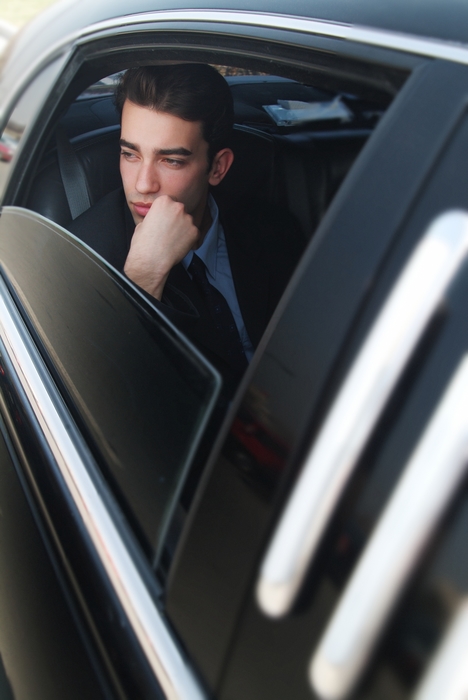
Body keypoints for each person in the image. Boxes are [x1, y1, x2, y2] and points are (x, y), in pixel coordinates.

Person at [70, 64, 303, 393]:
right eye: (129, 154)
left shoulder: (271, 230)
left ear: (217, 167)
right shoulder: (83, 256)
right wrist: (143, 277)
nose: (143, 184)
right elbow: (98, 398)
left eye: (171, 161)